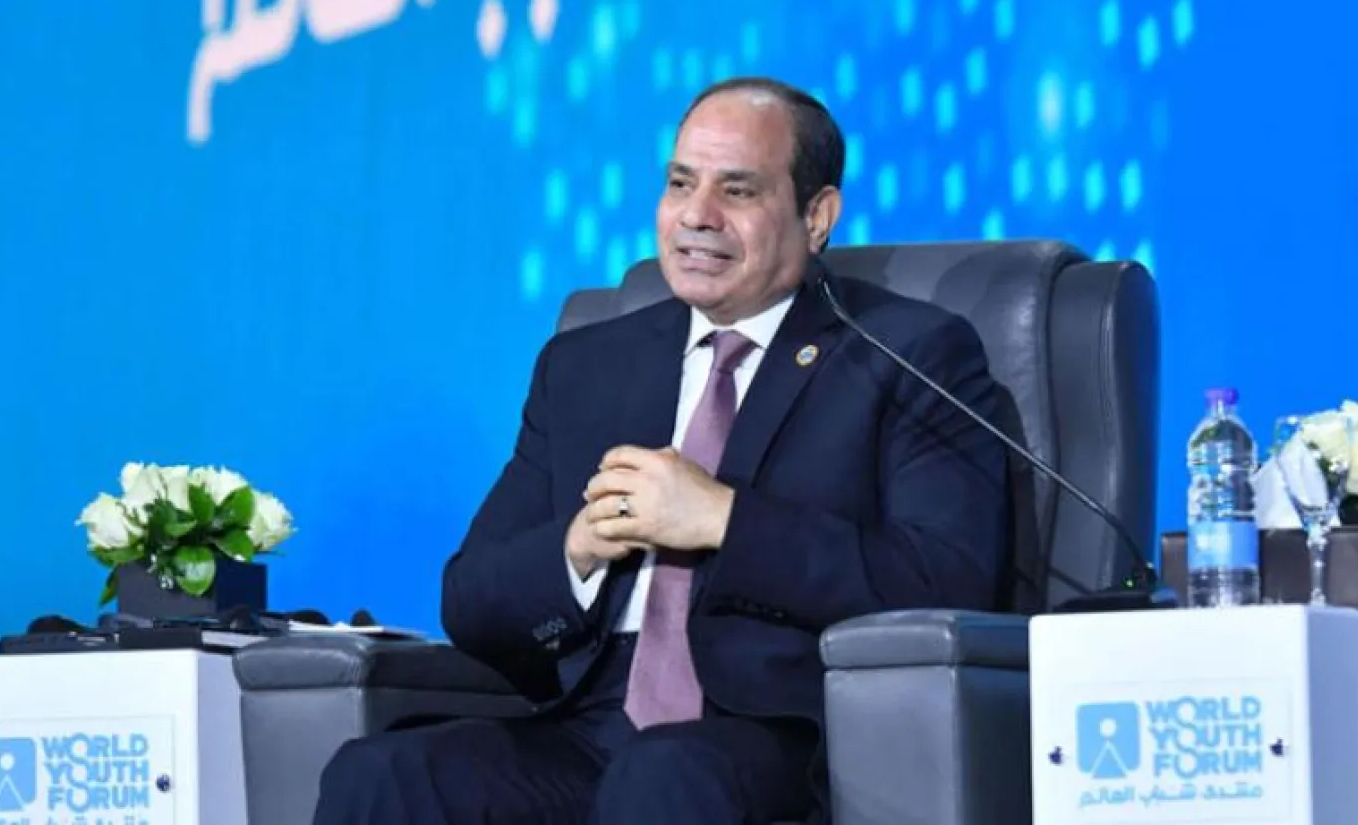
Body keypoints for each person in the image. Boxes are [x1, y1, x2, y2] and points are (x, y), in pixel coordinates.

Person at [312, 76, 1009, 825]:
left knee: (663, 778)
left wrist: (725, 521)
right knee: (382, 775)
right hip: (590, 723)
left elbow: (950, 576)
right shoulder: (585, 366)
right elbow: (471, 600)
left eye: (737, 192)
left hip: (782, 735)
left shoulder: (903, 353)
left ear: (817, 216)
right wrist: (575, 552)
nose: (696, 217)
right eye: (680, 184)